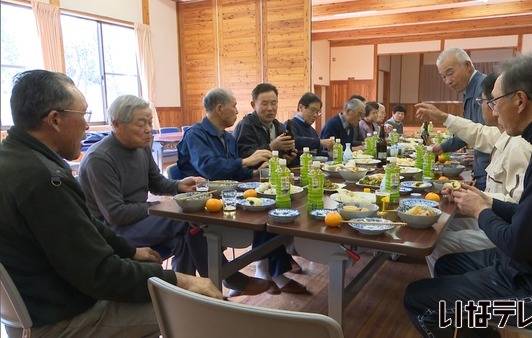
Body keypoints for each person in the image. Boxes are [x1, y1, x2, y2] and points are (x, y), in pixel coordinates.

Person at [0, 70, 221, 338]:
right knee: (194, 309)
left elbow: (85, 221)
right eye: (83, 116)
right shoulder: (45, 180)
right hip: (61, 319)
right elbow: (101, 274)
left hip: (45, 302)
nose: (86, 126)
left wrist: (130, 251)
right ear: (54, 120)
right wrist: (179, 281)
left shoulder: (17, 158)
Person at [404, 53, 532, 336]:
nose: (493, 111)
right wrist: (488, 201)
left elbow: (518, 244)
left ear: (520, 101)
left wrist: (480, 211)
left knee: (419, 299)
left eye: (495, 102)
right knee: (448, 265)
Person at [79, 94, 271, 297]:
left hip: (137, 220)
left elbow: (156, 182)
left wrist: (179, 186)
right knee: (187, 220)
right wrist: (157, 206)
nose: (148, 129)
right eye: (141, 123)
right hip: (112, 230)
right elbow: (115, 214)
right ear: (117, 125)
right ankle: (226, 278)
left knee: (185, 239)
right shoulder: (99, 159)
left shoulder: (141, 147)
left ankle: (182, 296)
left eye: (150, 122)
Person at [181, 87, 307, 295]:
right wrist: (247, 161)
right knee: (267, 211)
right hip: (202, 202)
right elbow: (209, 168)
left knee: (274, 206)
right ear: (220, 109)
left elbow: (237, 172)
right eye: (234, 106)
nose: (237, 111)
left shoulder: (227, 138)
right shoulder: (196, 134)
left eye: (273, 103)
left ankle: (268, 270)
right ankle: (235, 278)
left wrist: (255, 172)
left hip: (229, 195)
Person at [415, 72, 532, 276]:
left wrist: (476, 198)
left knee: (435, 241)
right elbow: (477, 132)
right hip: (494, 214)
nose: (487, 109)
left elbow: (517, 207)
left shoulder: (519, 144)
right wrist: (444, 117)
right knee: (437, 225)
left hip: (502, 228)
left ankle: (450, 291)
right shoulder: (505, 133)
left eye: (485, 102)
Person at [434, 47, 490, 190]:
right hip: (481, 166)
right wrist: (443, 147)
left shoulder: (483, 88)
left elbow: (482, 133)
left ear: (467, 65)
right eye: (443, 77)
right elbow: (468, 130)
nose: (448, 81)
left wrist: (443, 117)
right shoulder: (469, 89)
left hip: (489, 171)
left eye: (450, 73)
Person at [233, 83, 296, 168]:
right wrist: (271, 147)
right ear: (253, 105)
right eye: (264, 104)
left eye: (273, 103)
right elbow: (245, 158)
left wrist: (287, 158)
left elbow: (281, 158)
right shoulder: (245, 126)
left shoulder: (279, 126)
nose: (270, 108)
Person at [283, 92, 334, 166]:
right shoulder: (290, 124)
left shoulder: (313, 131)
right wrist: (320, 142)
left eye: (317, 112)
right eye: (313, 110)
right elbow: (294, 141)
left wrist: (331, 154)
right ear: (301, 107)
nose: (315, 115)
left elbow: (318, 153)